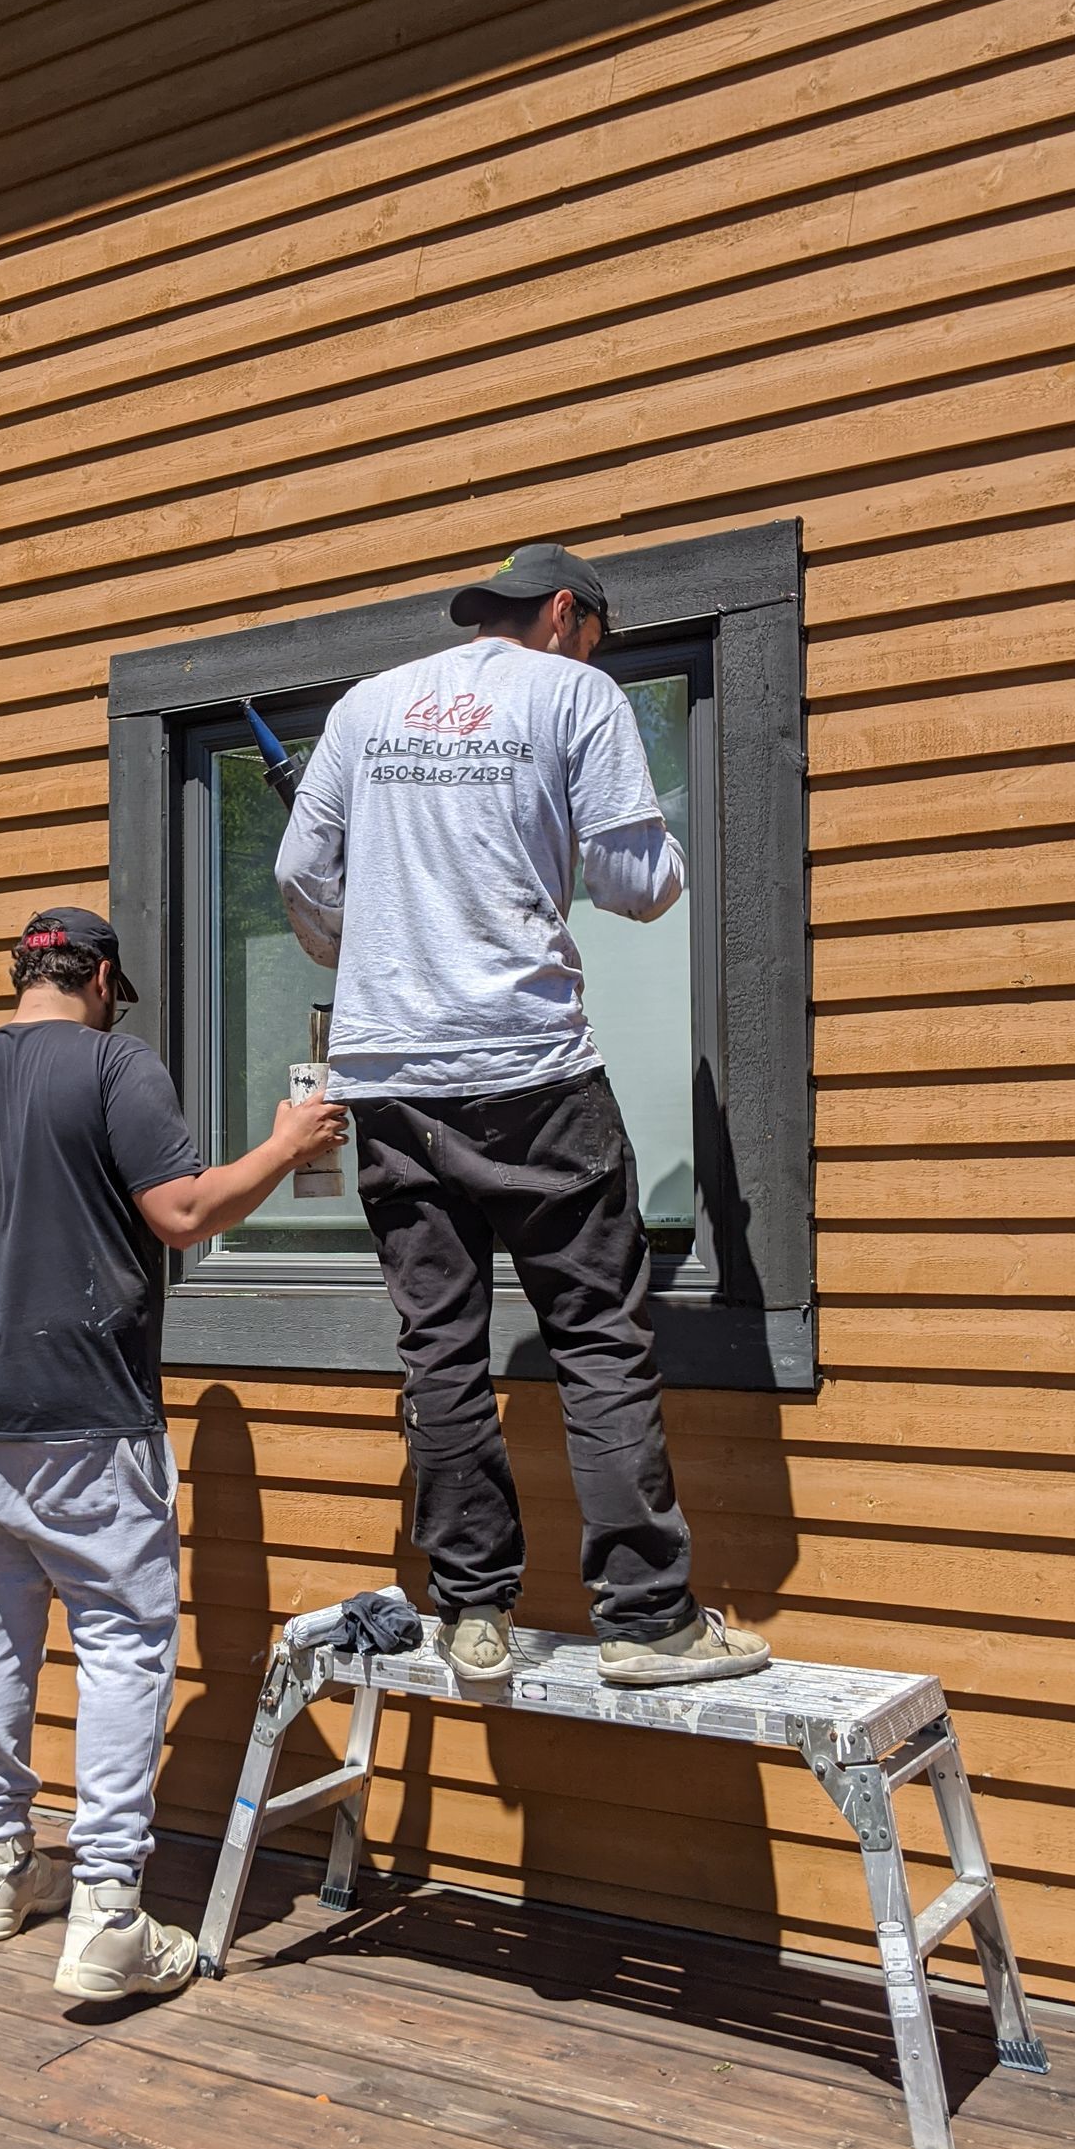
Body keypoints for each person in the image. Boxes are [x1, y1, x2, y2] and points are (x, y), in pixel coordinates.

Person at [275, 545, 770, 1691]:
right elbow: (637, 882)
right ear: (564, 613)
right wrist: (663, 850)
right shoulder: (574, 693)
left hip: (393, 1078)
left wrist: (379, 951)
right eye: (597, 631)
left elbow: (303, 874)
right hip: (531, 1072)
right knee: (598, 1335)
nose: (598, 651)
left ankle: (474, 1612)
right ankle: (647, 1620)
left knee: (440, 1346)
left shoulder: (365, 707)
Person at [0, 906, 348, 2000]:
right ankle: (111, 1913)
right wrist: (287, 1146)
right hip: (87, 1408)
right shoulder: (117, 1067)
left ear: (22, 977)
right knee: (126, 1645)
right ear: (100, 982)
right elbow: (178, 1213)